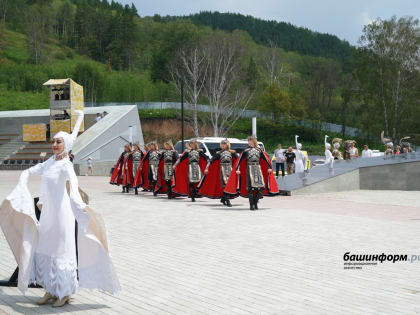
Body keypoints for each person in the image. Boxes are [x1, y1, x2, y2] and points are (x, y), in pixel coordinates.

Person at [0, 110, 120, 307]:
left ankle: (64, 293)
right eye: (54, 141)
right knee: (45, 250)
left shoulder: (66, 165)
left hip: (62, 214)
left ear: (66, 145)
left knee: (61, 252)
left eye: (59, 142)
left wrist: (80, 207)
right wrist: (23, 178)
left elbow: (73, 188)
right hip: (48, 215)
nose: (54, 145)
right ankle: (50, 290)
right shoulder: (49, 162)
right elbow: (32, 170)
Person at [224, 136, 278, 210]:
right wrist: (237, 169)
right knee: (250, 188)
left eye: (250, 140)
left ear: (254, 141)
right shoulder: (246, 151)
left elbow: (266, 159)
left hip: (258, 169)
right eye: (248, 140)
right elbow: (239, 160)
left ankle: (255, 202)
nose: (249, 142)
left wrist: (269, 168)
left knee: (261, 188)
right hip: (249, 170)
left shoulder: (259, 150)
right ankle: (252, 205)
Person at [199, 139, 239, 207]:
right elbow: (211, 161)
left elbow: (238, 161)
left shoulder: (232, 152)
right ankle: (227, 200)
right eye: (222, 144)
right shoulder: (219, 153)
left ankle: (224, 198)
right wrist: (206, 168)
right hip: (222, 170)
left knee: (229, 185)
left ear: (227, 145)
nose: (223, 145)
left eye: (225, 144)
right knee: (224, 185)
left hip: (230, 170)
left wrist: (238, 169)